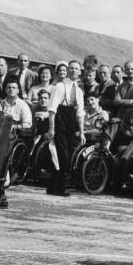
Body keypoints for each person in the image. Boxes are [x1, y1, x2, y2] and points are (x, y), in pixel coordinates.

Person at [47, 60, 84, 196]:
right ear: (67, 71)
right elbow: (52, 108)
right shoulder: (60, 86)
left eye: (76, 69)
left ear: (80, 72)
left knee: (67, 152)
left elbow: (80, 113)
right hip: (60, 118)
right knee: (62, 154)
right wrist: (52, 128)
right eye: (71, 68)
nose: (74, 71)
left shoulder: (79, 90)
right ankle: (61, 187)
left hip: (71, 120)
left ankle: (52, 186)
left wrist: (81, 132)